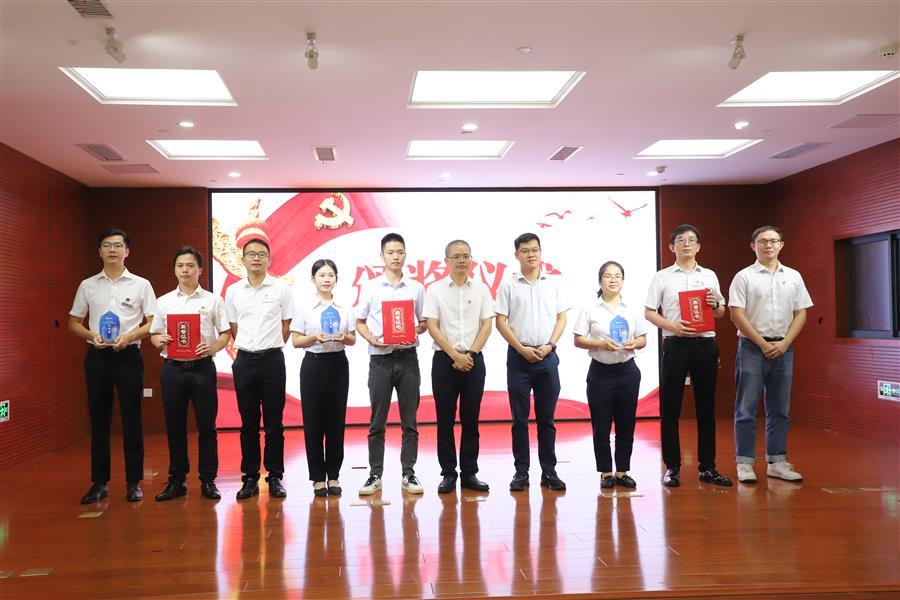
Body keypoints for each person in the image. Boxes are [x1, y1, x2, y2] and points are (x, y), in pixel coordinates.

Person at [69, 228, 157, 503]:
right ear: (99, 251)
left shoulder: (141, 284)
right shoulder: (88, 285)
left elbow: (153, 322)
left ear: (127, 251)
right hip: (98, 357)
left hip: (128, 356)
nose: (112, 250)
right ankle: (99, 482)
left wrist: (129, 336)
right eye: (107, 245)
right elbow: (74, 322)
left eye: (118, 245)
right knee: (99, 420)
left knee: (132, 419)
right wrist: (91, 335)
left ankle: (134, 482)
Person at [644, 224, 732, 487]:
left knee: (706, 409)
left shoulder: (709, 275)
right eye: (681, 240)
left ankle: (708, 468)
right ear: (672, 247)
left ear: (698, 246)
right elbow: (649, 312)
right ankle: (672, 468)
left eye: (691, 240)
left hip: (705, 345)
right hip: (675, 345)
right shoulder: (662, 277)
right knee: (670, 409)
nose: (686, 244)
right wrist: (672, 326)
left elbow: (721, 312)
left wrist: (715, 304)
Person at [729, 226, 813, 483]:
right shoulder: (744, 276)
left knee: (780, 409)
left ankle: (777, 461)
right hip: (752, 348)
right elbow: (736, 314)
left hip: (783, 349)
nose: (769, 245)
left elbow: (801, 313)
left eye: (774, 241)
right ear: (753, 246)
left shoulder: (794, 276)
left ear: (781, 245)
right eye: (763, 241)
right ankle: (745, 463)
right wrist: (762, 343)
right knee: (746, 408)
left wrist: (785, 343)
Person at [149, 246, 231, 501]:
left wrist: (213, 347)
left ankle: (208, 480)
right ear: (175, 270)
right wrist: (159, 339)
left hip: (202, 369)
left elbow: (225, 333)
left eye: (190, 265)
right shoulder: (163, 301)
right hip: (172, 370)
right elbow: (153, 335)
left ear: (200, 270)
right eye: (180, 266)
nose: (185, 270)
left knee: (207, 427)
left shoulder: (213, 300)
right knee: (175, 427)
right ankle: (177, 480)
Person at [495, 233, 570, 491]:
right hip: (519, 358)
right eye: (525, 250)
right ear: (516, 255)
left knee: (546, 419)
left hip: (547, 357)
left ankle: (549, 470)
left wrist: (550, 345)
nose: (531, 254)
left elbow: (561, 318)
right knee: (519, 420)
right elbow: (500, 322)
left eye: (535, 250)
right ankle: (521, 472)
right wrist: (521, 349)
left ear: (541, 252)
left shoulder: (553, 284)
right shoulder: (508, 285)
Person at [356, 233, 427, 495]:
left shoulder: (416, 288)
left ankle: (409, 473)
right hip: (380, 360)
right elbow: (360, 322)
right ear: (382, 256)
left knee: (410, 421)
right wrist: (372, 338)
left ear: (405, 254)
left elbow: (424, 322)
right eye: (390, 252)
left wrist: (413, 331)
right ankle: (375, 475)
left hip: (408, 360)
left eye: (399, 252)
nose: (395, 256)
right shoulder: (371, 287)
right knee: (377, 422)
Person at [225, 238, 294, 500]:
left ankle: (275, 476)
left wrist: (269, 346)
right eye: (251, 254)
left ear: (269, 259)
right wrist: (250, 348)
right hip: (244, 361)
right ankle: (250, 477)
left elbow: (286, 324)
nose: (256, 258)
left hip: (273, 361)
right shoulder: (233, 291)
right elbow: (233, 326)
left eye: (261, 254)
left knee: (274, 423)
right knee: (249, 423)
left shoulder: (281, 289)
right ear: (242, 259)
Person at [423, 240, 494, 494]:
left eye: (466, 256)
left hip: (474, 360)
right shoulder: (435, 290)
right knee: (445, 420)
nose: (462, 260)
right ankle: (448, 473)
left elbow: (487, 325)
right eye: (456, 256)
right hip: (444, 360)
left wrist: (470, 354)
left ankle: (470, 473)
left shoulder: (481, 289)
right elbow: (432, 326)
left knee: (471, 419)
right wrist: (454, 354)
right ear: (446, 261)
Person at [573, 261, 648, 489]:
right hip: (600, 373)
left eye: (617, 276)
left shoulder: (632, 308)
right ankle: (605, 472)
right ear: (600, 281)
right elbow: (578, 339)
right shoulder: (590, 308)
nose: (613, 280)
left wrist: (635, 343)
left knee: (626, 423)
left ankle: (622, 471)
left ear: (623, 281)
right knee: (601, 425)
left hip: (628, 371)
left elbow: (643, 339)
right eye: (608, 276)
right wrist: (600, 344)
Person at [291, 259, 356, 497]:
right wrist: (314, 338)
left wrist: (344, 338)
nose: (326, 279)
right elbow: (296, 341)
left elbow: (352, 339)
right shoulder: (305, 308)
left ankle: (334, 475)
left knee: (336, 422)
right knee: (314, 422)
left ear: (336, 278)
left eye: (330, 275)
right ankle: (318, 477)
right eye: (321, 275)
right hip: (313, 365)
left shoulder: (344, 307)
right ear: (313, 279)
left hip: (338, 364)